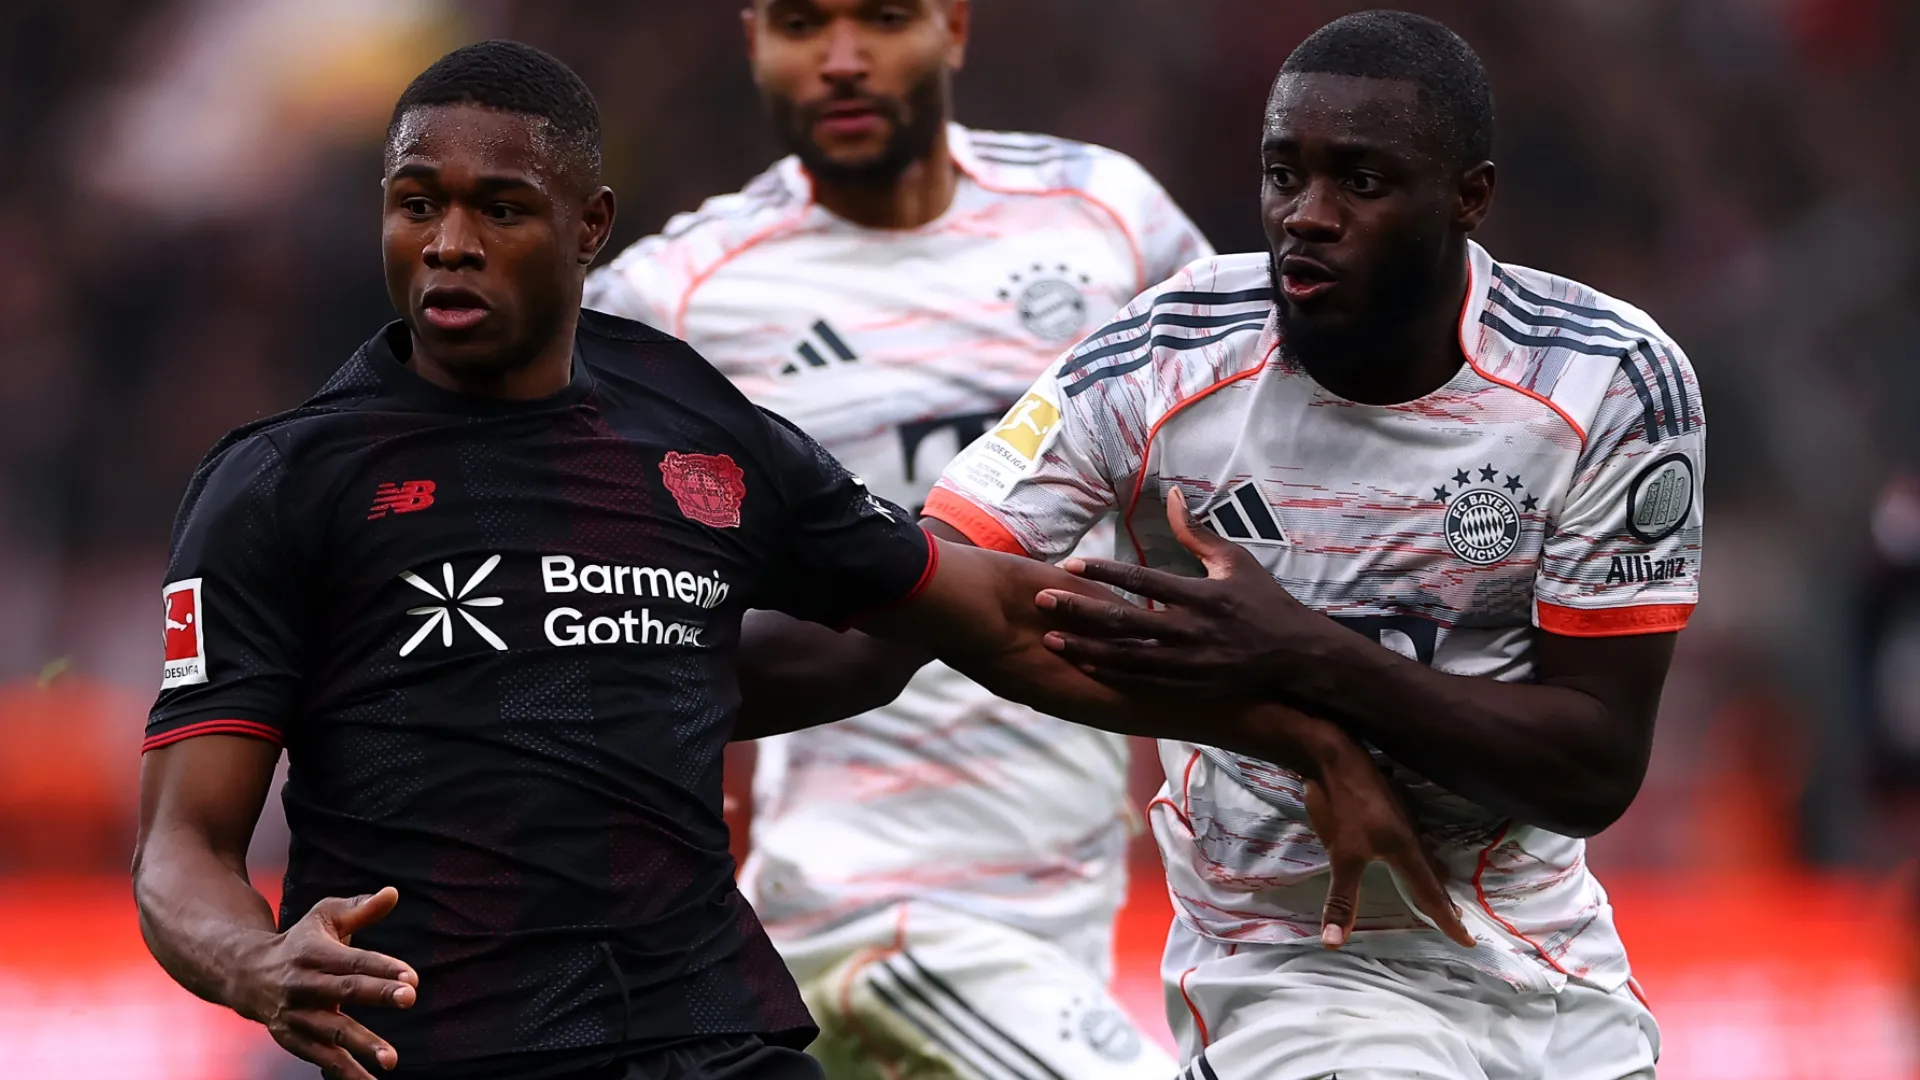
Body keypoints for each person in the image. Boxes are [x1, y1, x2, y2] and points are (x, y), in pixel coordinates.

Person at [131, 39, 1462, 1080]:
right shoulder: (283, 483)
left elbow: (968, 619)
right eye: (417, 204)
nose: (451, 243)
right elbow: (181, 850)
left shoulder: (688, 418)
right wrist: (253, 964)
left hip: (721, 1037)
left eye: (501, 207)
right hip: (455, 1048)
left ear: (591, 228)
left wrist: (1303, 731)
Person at [914, 12, 1703, 1080]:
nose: (1307, 218)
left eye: (1362, 184)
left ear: (1469, 198)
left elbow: (1593, 765)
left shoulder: (1606, 381)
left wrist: (1304, 653)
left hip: (1544, 967)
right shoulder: (1168, 353)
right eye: (1284, 175)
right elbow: (932, 575)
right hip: (1296, 966)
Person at [582, 1, 1207, 1074]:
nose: (840, 61)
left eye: (880, 17)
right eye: (798, 24)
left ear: (954, 28)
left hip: (1067, 912)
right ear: (752, 41)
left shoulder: (1108, 220)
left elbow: (1237, 480)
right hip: (864, 916)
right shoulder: (676, 296)